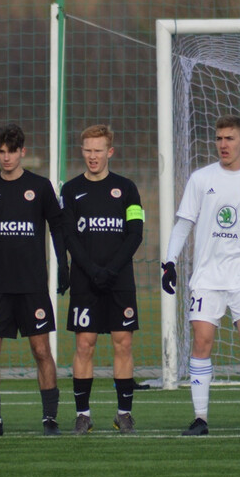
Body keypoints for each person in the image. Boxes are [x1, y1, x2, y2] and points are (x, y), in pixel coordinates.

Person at [161, 115, 240, 436]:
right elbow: (184, 223)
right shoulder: (200, 178)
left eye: (229, 138)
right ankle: (200, 419)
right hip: (208, 276)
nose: (223, 145)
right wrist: (169, 262)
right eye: (219, 139)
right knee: (202, 342)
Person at [0, 123, 69, 436]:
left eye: (12, 151)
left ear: (22, 151)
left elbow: (57, 227)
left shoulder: (39, 187)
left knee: (42, 352)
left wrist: (63, 267)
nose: (6, 157)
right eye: (1, 151)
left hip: (32, 285)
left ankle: (50, 419)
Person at [60, 125, 144, 434]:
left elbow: (135, 234)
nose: (92, 156)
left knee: (123, 343)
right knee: (85, 343)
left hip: (119, 280)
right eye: (87, 150)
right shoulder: (70, 190)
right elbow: (69, 235)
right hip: (85, 279)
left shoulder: (128, 188)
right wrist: (93, 270)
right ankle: (83, 414)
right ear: (81, 151)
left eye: (98, 150)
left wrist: (111, 269)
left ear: (110, 152)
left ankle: (124, 414)